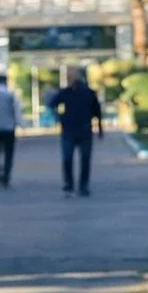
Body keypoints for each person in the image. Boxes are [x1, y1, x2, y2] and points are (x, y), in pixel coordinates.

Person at [47, 65, 104, 196]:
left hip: (80, 130)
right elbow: (52, 104)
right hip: (73, 130)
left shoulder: (87, 92)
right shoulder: (66, 92)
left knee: (80, 159)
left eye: (71, 75)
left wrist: (100, 129)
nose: (69, 78)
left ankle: (79, 185)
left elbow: (97, 111)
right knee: (71, 159)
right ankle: (72, 185)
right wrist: (59, 117)